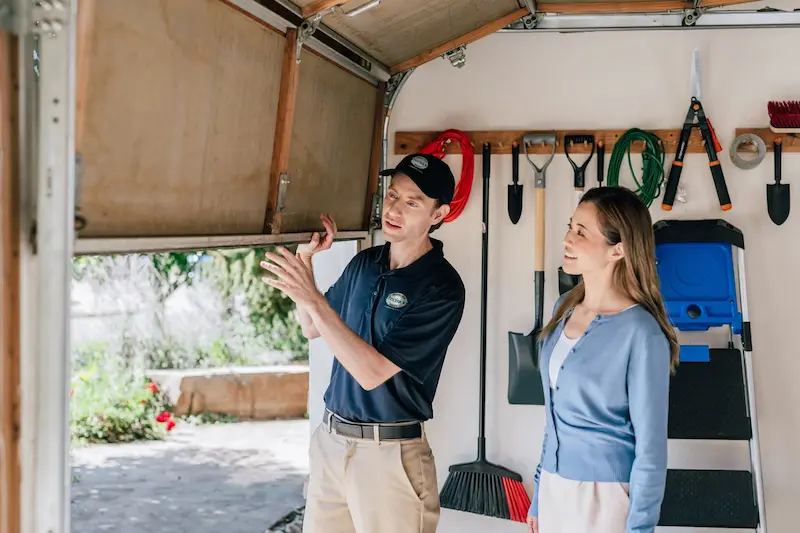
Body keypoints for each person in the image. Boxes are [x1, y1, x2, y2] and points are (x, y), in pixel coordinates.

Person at [260, 153, 466, 533]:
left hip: (389, 457)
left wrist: (314, 296)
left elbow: (371, 373)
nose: (395, 208)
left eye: (412, 202)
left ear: (438, 215)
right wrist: (306, 260)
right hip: (331, 444)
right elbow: (312, 326)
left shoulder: (442, 287)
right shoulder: (365, 264)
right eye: (393, 195)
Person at [526, 186, 680, 533]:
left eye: (581, 232)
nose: (567, 238)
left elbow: (651, 448)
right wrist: (539, 492)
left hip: (605, 499)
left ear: (618, 249)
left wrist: (640, 528)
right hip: (555, 487)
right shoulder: (563, 307)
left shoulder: (641, 332)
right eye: (570, 226)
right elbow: (553, 418)